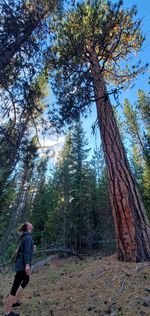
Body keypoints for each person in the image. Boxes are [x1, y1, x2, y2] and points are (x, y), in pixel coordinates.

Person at [4, 222, 34, 316]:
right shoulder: (28, 237)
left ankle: (14, 301)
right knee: (14, 288)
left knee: (26, 279)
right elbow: (26, 252)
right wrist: (27, 264)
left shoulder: (25, 237)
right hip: (22, 265)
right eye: (30, 224)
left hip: (20, 265)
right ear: (28, 227)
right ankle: (7, 313)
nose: (32, 225)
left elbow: (26, 250)